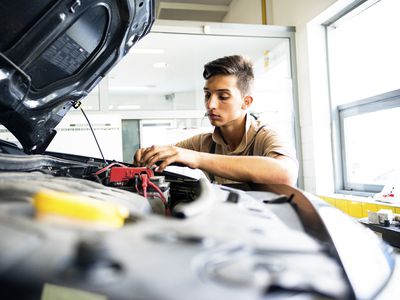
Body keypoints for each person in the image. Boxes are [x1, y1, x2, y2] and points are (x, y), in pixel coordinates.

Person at [134, 55, 298, 186]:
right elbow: (169, 155)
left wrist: (197, 158)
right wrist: (148, 156)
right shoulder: (204, 143)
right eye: (207, 95)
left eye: (223, 96)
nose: (210, 104)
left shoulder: (266, 136)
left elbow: (285, 174)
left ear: (246, 102)